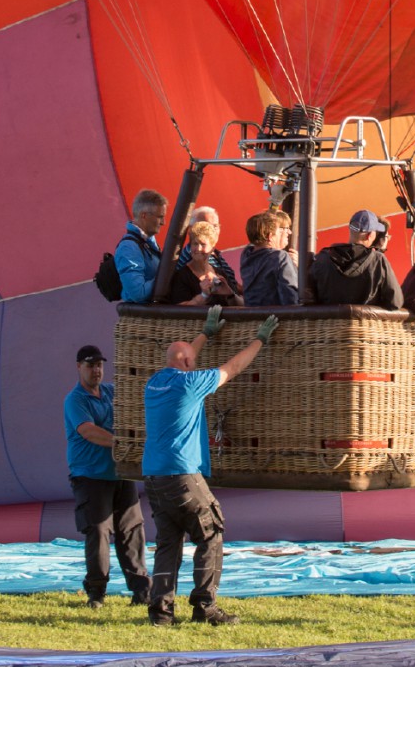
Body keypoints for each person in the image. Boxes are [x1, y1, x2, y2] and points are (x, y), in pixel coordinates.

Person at [142, 305, 280, 626]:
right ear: (189, 364)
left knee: (168, 543)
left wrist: (205, 334)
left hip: (153, 476)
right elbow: (232, 368)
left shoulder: (155, 383)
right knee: (211, 532)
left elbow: (184, 358)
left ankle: (160, 613)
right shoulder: (191, 385)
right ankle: (205, 607)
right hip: (183, 474)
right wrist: (259, 340)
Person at [64, 345, 151, 609]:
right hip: (90, 475)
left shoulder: (113, 393)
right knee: (99, 531)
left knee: (132, 530)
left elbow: (135, 408)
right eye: (90, 365)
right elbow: (88, 431)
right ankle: (96, 593)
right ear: (79, 367)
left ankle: (141, 590)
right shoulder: (75, 400)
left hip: (121, 473)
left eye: (100, 365)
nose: (96, 370)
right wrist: (120, 442)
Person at [308, 209, 403, 309]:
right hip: (366, 324)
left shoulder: (322, 258)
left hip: (328, 324)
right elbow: (396, 302)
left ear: (350, 229)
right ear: (370, 235)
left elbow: (308, 298)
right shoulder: (378, 260)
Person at [169, 220, 244, 306]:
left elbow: (240, 305)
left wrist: (230, 294)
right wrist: (203, 296)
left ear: (212, 249)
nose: (198, 249)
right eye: (195, 244)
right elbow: (179, 311)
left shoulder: (220, 272)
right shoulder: (181, 276)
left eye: (203, 244)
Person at [115, 188, 166, 303]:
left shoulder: (146, 242)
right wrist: (165, 276)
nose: (163, 222)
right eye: (160, 217)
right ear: (144, 215)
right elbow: (138, 293)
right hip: (144, 318)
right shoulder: (129, 248)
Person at [240, 209, 299, 306]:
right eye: (284, 228)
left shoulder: (246, 254)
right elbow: (291, 296)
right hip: (276, 318)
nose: (289, 232)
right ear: (270, 236)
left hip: (252, 316)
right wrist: (298, 268)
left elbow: (254, 243)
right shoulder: (280, 257)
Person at [175, 205, 236, 282]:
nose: (212, 230)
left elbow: (232, 283)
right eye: (206, 226)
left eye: (215, 226)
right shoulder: (196, 255)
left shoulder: (213, 252)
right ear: (191, 230)